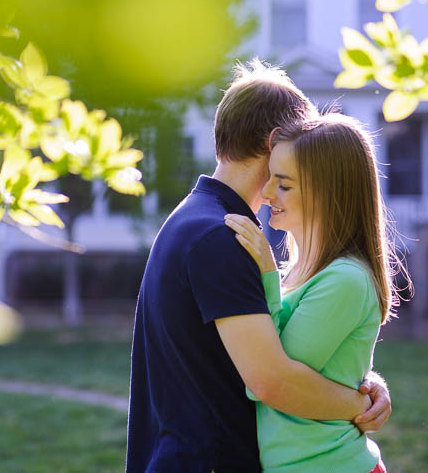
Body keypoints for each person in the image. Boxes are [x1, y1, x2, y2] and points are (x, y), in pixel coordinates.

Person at [125, 60, 391, 473]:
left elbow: (292, 352)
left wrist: (365, 378)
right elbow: (273, 380)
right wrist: (360, 402)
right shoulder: (221, 236)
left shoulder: (197, 220)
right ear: (275, 142)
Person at [224, 112, 406, 472]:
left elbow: (276, 378)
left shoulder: (346, 280)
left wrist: (266, 275)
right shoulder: (310, 271)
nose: (266, 192)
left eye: (284, 185)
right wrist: (366, 388)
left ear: (328, 194)